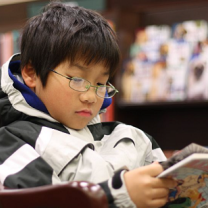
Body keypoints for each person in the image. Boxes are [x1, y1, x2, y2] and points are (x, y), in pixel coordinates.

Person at [0, 1, 176, 207]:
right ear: (31, 73)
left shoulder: (132, 138)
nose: (90, 96)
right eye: (77, 79)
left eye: (101, 83)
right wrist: (119, 196)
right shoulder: (11, 142)